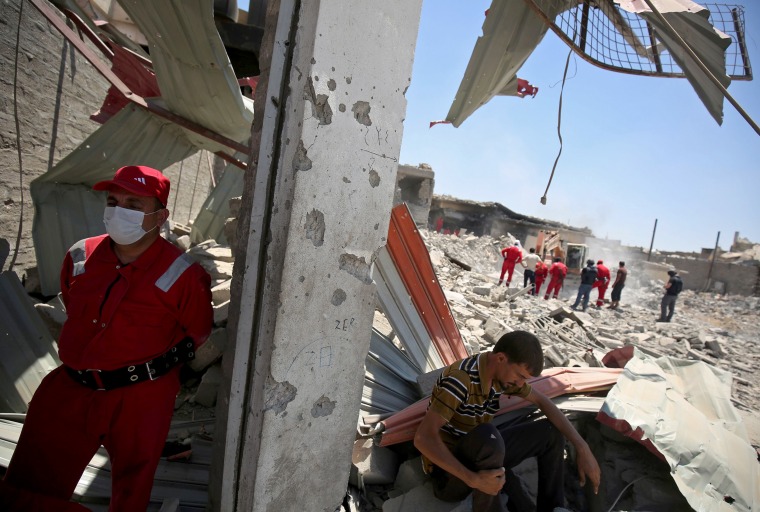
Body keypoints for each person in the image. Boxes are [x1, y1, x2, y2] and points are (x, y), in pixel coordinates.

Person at [0, 165, 213, 512]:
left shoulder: (185, 274)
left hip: (141, 396)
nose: (118, 211)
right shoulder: (81, 254)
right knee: (29, 486)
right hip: (71, 387)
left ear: (160, 216)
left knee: (130, 494)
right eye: (113, 201)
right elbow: (72, 301)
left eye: (133, 204)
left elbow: (197, 332)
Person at [413, 331, 601, 512]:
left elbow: (543, 401)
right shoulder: (460, 380)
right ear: (501, 358)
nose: (521, 384)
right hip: (449, 476)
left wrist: (583, 447)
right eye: (520, 376)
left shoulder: (499, 375)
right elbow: (423, 438)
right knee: (489, 435)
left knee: (550, 432)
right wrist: (473, 479)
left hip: (482, 456)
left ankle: (553, 507)